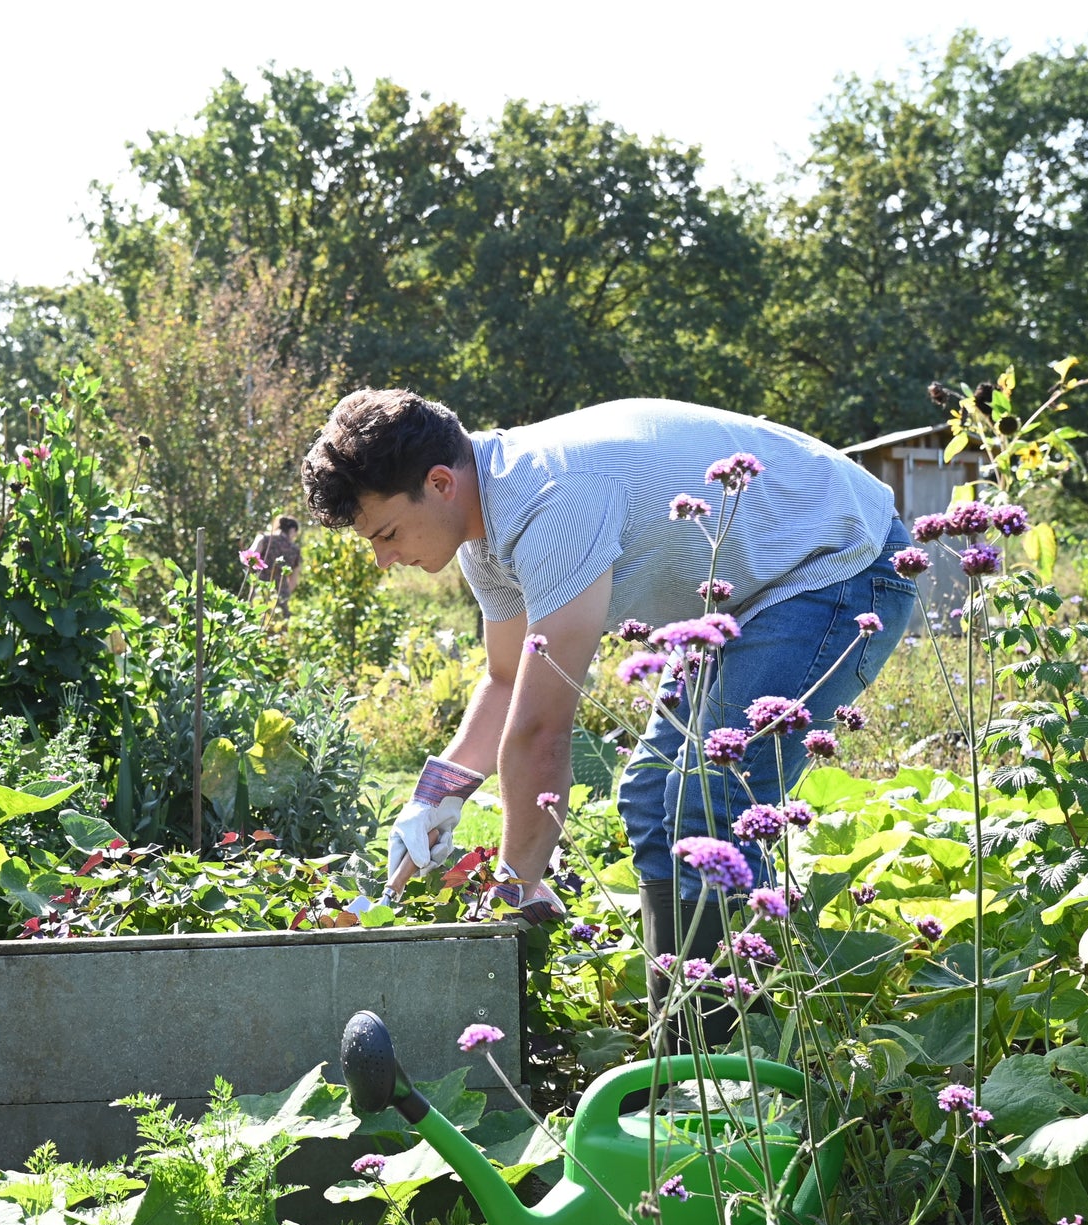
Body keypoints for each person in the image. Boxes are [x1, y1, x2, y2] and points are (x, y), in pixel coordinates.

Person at [299, 390, 917, 1004]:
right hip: (755, 594)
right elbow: (511, 678)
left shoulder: (548, 499)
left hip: (841, 562)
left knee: (711, 800)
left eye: (385, 533)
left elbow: (544, 727)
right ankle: (679, 1045)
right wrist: (438, 797)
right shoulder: (482, 531)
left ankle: (728, 1063)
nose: (383, 559)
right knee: (653, 797)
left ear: (439, 484)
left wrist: (514, 883)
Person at [248, 515, 303, 615]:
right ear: (293, 530)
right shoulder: (295, 549)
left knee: (255, 621)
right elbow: (293, 581)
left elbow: (249, 558)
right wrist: (284, 592)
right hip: (280, 596)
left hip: (260, 590)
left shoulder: (263, 538)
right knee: (279, 626)